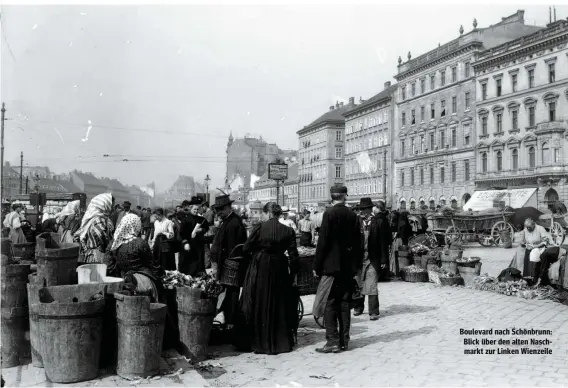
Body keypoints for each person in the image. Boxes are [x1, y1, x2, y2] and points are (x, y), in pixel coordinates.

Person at [238, 202, 299, 355]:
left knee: (259, 300)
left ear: (268, 214)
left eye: (264, 214)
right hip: (280, 267)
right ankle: (281, 343)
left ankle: (259, 342)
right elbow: (294, 256)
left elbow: (246, 248)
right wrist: (293, 274)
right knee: (279, 302)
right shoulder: (288, 230)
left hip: (261, 267)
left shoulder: (259, 228)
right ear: (278, 214)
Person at [312, 185, 363, 353]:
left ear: (331, 197)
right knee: (345, 303)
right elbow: (358, 244)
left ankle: (332, 341)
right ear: (345, 197)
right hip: (347, 268)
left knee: (329, 303)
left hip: (331, 268)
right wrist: (356, 267)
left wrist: (317, 266)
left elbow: (323, 242)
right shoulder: (352, 215)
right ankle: (344, 341)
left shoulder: (329, 214)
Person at [210, 195, 248, 330]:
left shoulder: (234, 223)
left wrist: (217, 264)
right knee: (229, 295)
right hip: (227, 265)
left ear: (228, 208)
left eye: (221, 209)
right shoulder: (228, 221)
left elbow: (231, 247)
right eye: (217, 209)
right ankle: (229, 320)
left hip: (230, 266)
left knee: (231, 295)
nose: (218, 212)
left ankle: (231, 324)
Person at [74, 193, 115, 264]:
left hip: (91, 254)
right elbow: (103, 238)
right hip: (98, 256)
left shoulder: (93, 218)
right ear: (104, 205)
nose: (113, 208)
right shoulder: (99, 220)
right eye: (111, 206)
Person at [179, 200, 210, 276]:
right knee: (188, 264)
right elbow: (181, 233)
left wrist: (201, 230)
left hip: (198, 244)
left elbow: (207, 227)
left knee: (198, 263)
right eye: (194, 209)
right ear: (190, 209)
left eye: (197, 209)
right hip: (188, 244)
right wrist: (185, 243)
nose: (196, 211)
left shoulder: (201, 219)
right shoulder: (185, 220)